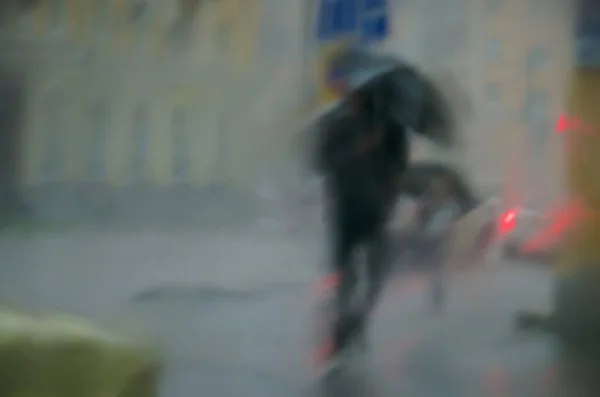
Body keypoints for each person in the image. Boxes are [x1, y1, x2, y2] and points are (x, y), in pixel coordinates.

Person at [314, 87, 407, 372]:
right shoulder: (336, 124)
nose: (354, 97)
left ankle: (359, 319)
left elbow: (399, 165)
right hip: (345, 209)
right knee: (346, 273)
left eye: (361, 94)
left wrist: (384, 156)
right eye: (350, 93)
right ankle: (342, 328)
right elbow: (323, 163)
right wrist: (360, 149)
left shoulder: (390, 126)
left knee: (378, 273)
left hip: (377, 211)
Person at [413, 174, 461, 310]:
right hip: (429, 238)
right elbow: (420, 218)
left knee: (437, 268)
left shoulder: (451, 204)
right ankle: (434, 294)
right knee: (432, 268)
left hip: (441, 238)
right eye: (435, 186)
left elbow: (452, 223)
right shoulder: (429, 202)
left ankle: (438, 295)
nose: (437, 189)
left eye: (440, 186)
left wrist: (451, 239)